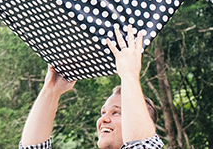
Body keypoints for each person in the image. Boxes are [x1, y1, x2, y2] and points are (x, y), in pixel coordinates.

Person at [20, 24, 163, 149]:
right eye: (103, 113)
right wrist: (50, 90)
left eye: (116, 112)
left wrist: (130, 76)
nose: (103, 120)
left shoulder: (142, 137)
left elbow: (142, 145)